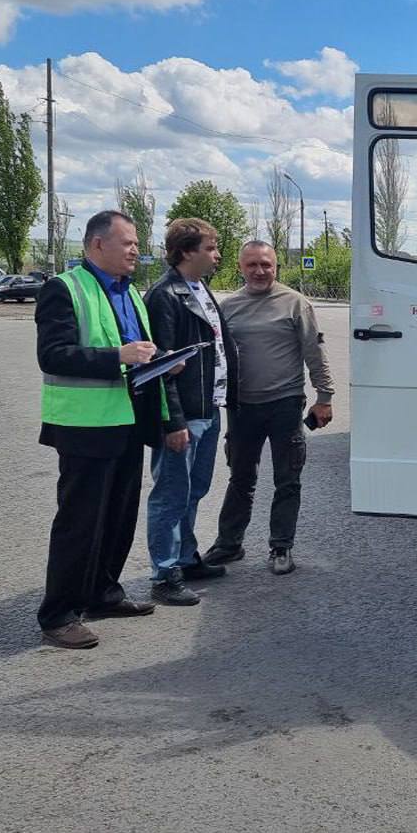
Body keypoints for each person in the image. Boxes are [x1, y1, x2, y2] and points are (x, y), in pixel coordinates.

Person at [34, 210, 170, 649]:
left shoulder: (129, 293)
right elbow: (54, 355)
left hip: (128, 422)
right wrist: (120, 356)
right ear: (96, 245)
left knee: (118, 517)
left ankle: (103, 593)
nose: (135, 249)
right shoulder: (64, 288)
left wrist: (161, 360)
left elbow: (134, 352)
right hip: (85, 427)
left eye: (135, 243)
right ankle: (59, 614)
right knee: (81, 523)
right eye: (127, 242)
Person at [204, 240, 335, 576]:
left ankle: (281, 547)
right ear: (240, 267)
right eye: (252, 265)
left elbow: (314, 353)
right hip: (242, 406)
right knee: (240, 479)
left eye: (266, 264)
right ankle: (229, 544)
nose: (260, 271)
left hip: (285, 405)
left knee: (287, 480)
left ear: (276, 266)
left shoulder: (296, 304)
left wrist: (325, 397)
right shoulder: (228, 307)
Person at [143, 218, 240, 605]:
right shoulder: (165, 295)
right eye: (211, 248)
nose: (217, 256)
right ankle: (164, 574)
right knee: (170, 493)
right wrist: (173, 421)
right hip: (184, 417)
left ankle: (185, 557)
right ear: (186, 251)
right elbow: (161, 368)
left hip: (208, 408)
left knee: (194, 490)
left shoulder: (200, 289)